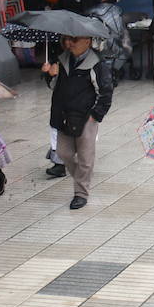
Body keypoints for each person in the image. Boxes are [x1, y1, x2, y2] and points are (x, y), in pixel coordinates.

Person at [42, 34, 114, 209]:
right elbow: (53, 87)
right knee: (63, 152)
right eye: (66, 39)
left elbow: (106, 91)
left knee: (85, 159)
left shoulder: (96, 63)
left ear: (87, 42)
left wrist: (95, 115)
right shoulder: (60, 60)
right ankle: (83, 177)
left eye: (73, 40)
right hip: (63, 114)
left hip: (86, 116)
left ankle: (81, 193)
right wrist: (49, 75)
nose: (68, 43)